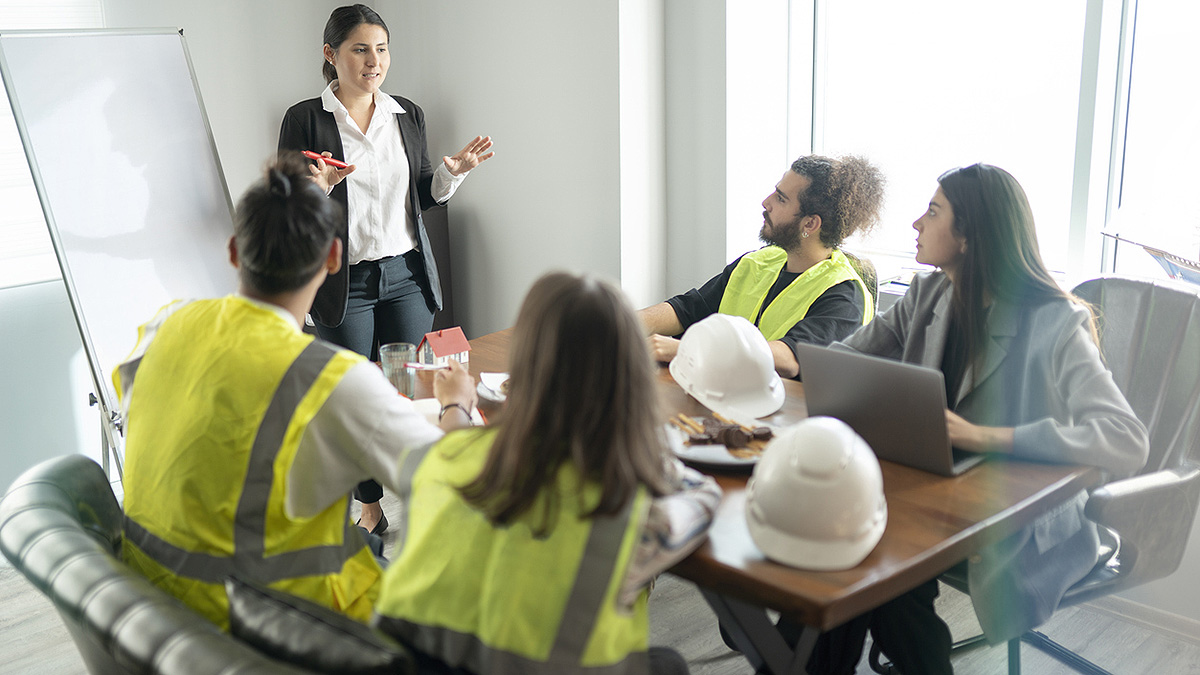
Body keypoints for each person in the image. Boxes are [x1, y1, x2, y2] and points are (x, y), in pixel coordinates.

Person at [795, 163, 1150, 674]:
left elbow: (1126, 440)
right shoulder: (927, 295)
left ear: (969, 236)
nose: (916, 223)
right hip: (935, 499)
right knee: (862, 555)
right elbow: (843, 362)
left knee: (875, 562)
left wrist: (984, 436)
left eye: (933, 212)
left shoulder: (1055, 322)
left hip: (1020, 522)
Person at [114, 153, 479, 630]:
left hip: (158, 615)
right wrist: (456, 402)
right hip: (278, 631)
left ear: (233, 251)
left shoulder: (167, 324)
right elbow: (454, 478)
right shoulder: (331, 379)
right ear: (333, 257)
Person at [372, 272, 723, 675]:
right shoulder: (631, 514)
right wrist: (643, 446)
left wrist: (457, 408)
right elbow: (705, 499)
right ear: (631, 380)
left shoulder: (432, 460)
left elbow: (461, 449)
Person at [278, 3, 494, 535]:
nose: (374, 61)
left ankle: (429, 500)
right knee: (355, 401)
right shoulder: (305, 119)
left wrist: (453, 173)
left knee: (416, 393)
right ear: (331, 55)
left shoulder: (408, 115)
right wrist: (318, 189)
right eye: (359, 49)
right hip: (343, 285)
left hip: (405, 276)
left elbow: (422, 197)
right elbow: (287, 205)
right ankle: (368, 503)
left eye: (381, 48)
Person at [639, 154, 885, 379]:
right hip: (725, 395)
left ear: (810, 224)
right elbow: (688, 309)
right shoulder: (758, 262)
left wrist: (690, 349)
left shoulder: (844, 295)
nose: (766, 203)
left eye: (781, 199)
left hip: (785, 415)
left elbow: (790, 358)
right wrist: (623, 323)